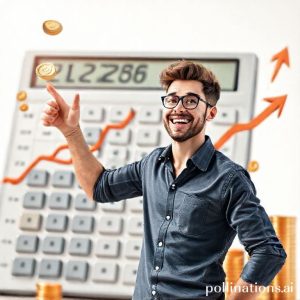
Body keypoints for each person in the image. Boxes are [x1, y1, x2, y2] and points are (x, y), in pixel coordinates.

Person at [42, 60, 287, 300]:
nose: (178, 108)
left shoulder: (229, 179)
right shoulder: (152, 164)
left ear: (210, 112)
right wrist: (71, 131)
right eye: (172, 99)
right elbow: (99, 186)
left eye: (191, 101)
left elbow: (269, 252)